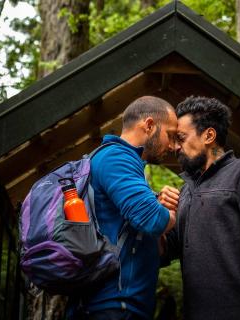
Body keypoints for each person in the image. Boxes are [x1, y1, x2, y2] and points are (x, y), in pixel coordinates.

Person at [159, 96, 240, 320]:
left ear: (209, 135)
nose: (175, 146)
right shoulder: (185, 192)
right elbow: (161, 252)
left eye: (181, 138)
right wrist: (158, 218)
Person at [67, 96, 178, 320]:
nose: (174, 146)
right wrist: (171, 215)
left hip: (117, 305)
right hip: (110, 306)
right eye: (171, 135)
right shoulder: (117, 158)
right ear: (149, 125)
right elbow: (153, 219)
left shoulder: (125, 162)